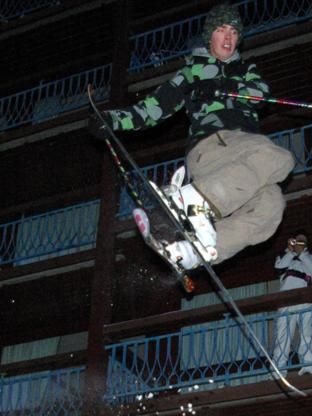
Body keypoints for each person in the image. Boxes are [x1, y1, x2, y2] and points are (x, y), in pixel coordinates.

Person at [91, 3, 295, 269]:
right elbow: (154, 108)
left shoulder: (245, 69)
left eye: (234, 32)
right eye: (222, 31)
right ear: (209, 35)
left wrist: (224, 87)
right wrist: (112, 120)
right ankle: (194, 201)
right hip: (212, 145)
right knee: (281, 158)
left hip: (242, 153)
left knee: (272, 204)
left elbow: (261, 96)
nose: (228, 38)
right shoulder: (192, 71)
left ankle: (192, 253)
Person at [272, 233, 312, 376]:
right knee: (282, 337)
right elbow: (278, 269)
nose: (299, 243)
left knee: (308, 333)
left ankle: (308, 365)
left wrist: (302, 254)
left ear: (306, 244)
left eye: (302, 241)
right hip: (285, 301)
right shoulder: (284, 257)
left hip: (306, 299)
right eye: (297, 240)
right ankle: (279, 370)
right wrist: (290, 251)